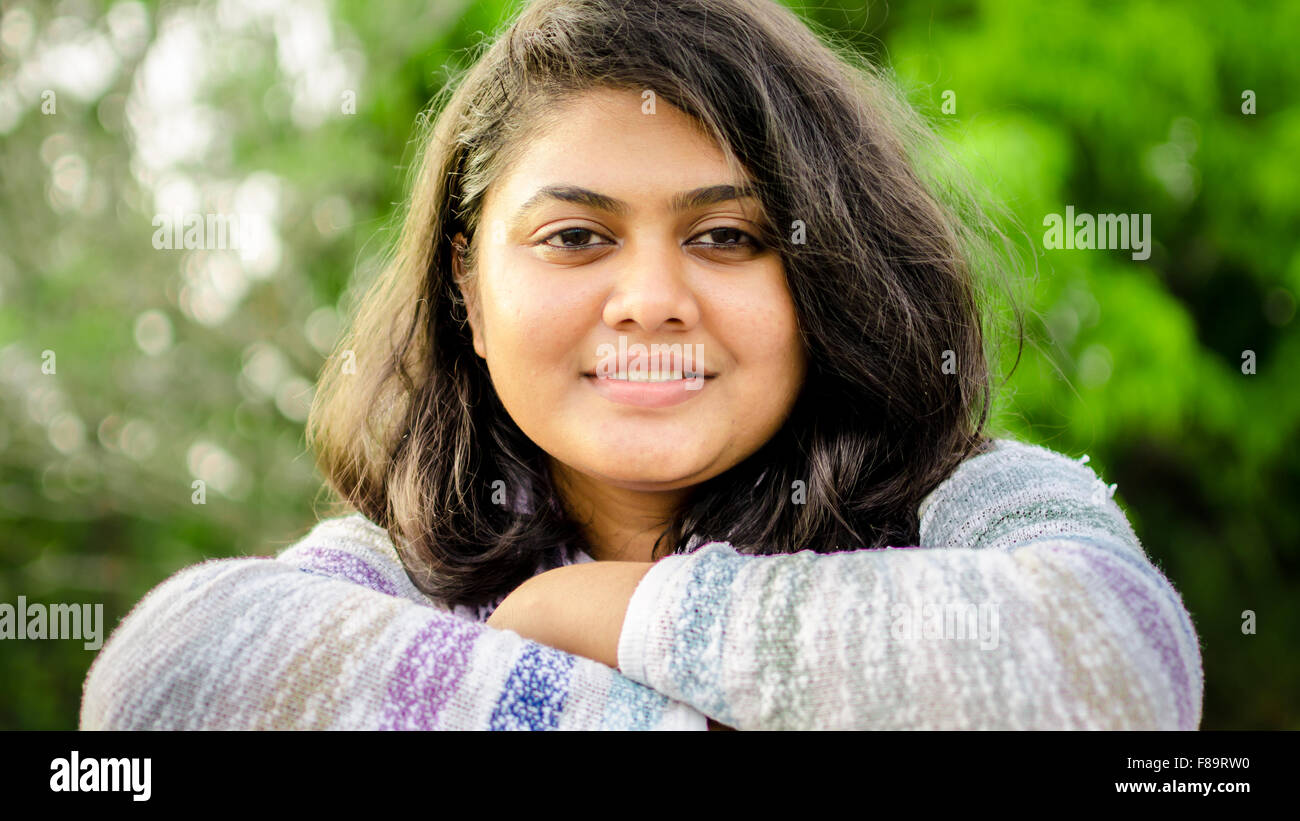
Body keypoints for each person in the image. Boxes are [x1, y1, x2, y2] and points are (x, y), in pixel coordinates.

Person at [80, 0, 1203, 730]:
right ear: (467, 288)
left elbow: (1119, 664)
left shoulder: (975, 502)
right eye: (576, 236)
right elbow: (160, 688)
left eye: (728, 236)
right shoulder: (401, 573)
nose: (654, 297)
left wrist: (597, 609)